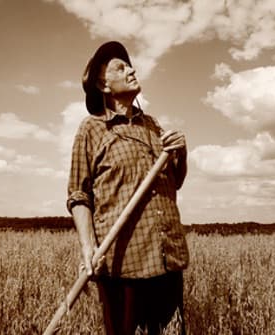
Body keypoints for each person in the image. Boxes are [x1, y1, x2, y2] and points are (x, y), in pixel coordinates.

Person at [67, 41, 190, 335]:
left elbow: (175, 183)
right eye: (120, 67)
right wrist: (88, 247)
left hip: (167, 258)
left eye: (129, 64)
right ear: (103, 85)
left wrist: (181, 153)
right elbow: (78, 194)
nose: (132, 69)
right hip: (124, 264)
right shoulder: (92, 129)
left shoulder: (153, 126)